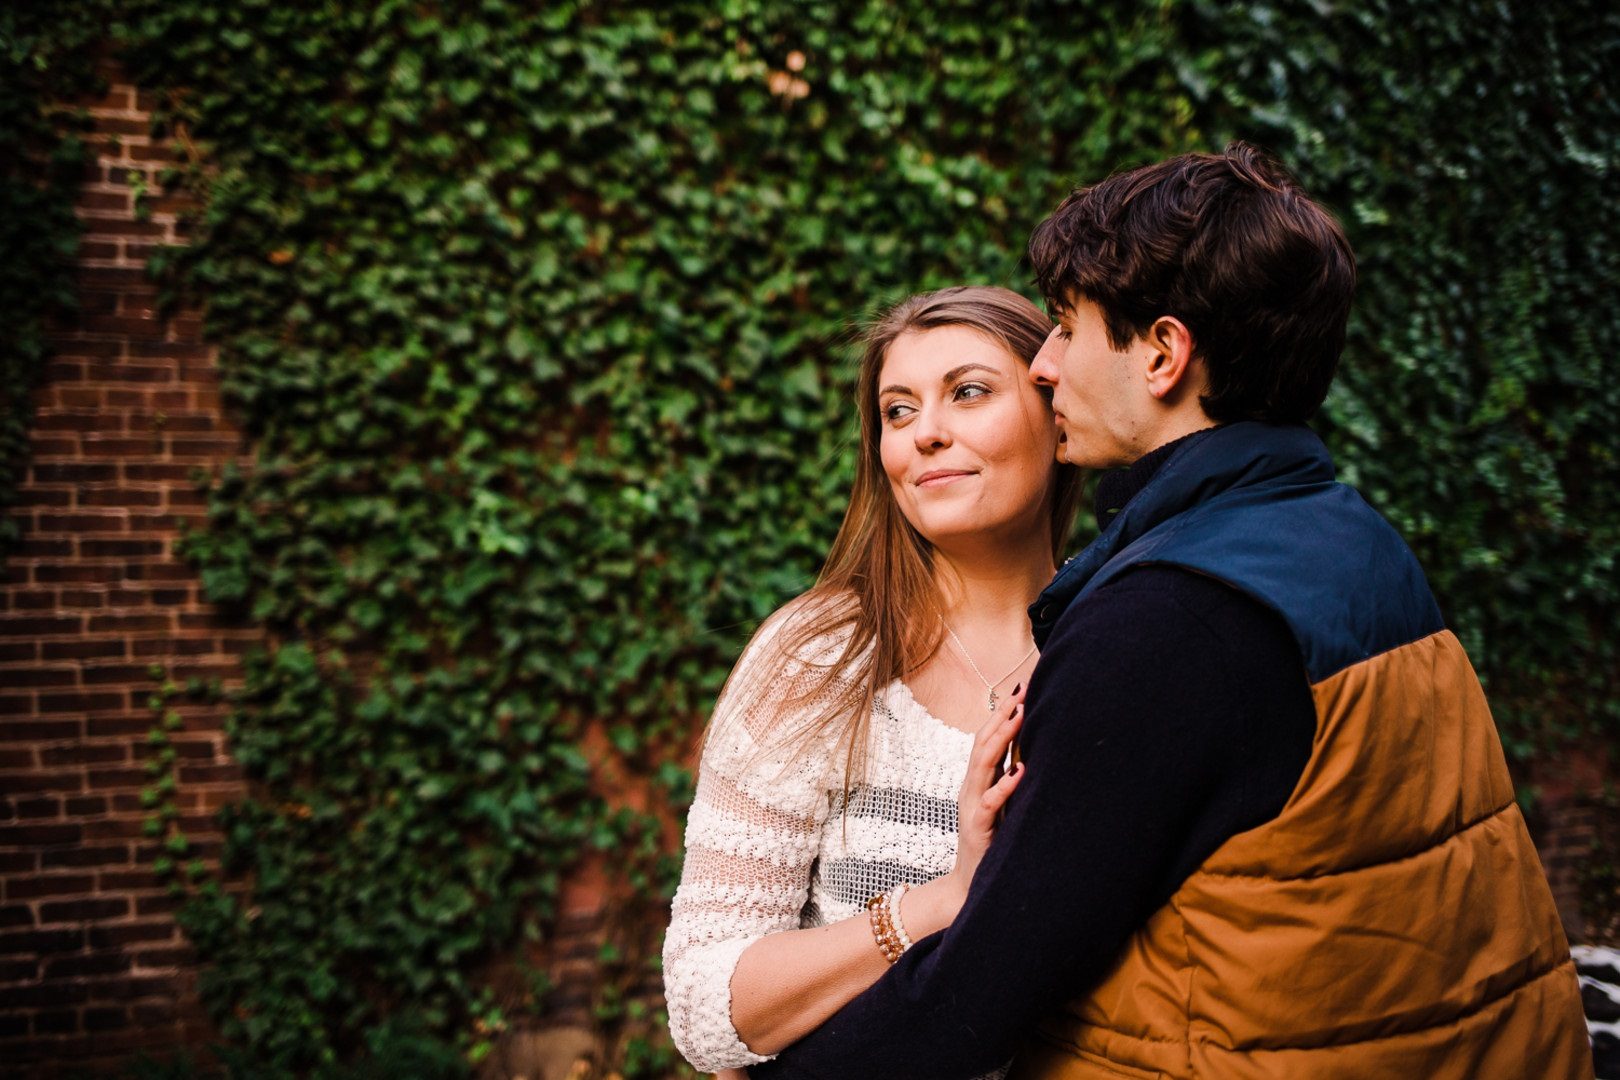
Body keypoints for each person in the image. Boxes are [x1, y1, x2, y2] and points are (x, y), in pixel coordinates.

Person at [747, 144, 1593, 1079]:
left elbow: (982, 992)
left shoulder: (1170, 622)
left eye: (1067, 327)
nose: (1046, 366)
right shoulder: (1347, 538)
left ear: (1162, 353)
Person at [663, 286, 1086, 1076]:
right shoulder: (822, 657)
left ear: (1057, 410)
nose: (925, 433)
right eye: (897, 411)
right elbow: (702, 1002)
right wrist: (937, 902)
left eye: (968, 393)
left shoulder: (1118, 648)